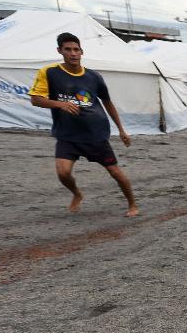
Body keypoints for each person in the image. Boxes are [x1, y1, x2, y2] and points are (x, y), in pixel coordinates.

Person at [29, 32, 138, 217]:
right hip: (68, 134)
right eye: (68, 49)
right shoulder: (49, 73)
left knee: (115, 172)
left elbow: (107, 102)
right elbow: (35, 99)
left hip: (95, 133)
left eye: (76, 49)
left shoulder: (94, 77)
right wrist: (60, 104)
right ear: (60, 51)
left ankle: (132, 204)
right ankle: (77, 193)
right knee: (63, 173)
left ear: (82, 52)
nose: (73, 53)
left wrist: (121, 130)